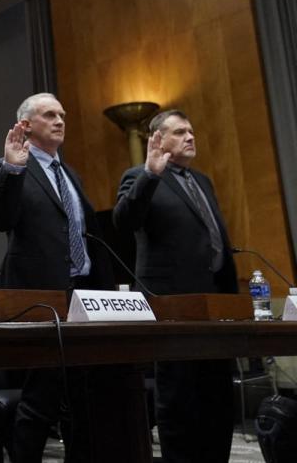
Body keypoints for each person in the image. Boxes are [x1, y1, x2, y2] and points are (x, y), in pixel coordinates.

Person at [0, 93, 113, 462]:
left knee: (82, 398)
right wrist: (12, 170)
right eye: (49, 115)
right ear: (25, 125)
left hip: (84, 297)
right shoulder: (9, 167)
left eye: (62, 114)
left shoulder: (68, 173)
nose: (60, 120)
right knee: (40, 397)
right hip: (41, 300)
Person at [113, 109, 236, 463]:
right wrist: (151, 173)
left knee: (217, 398)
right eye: (180, 132)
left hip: (214, 305)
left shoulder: (203, 180)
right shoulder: (139, 175)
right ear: (158, 139)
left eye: (191, 130)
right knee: (180, 399)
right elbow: (124, 221)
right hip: (172, 306)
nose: (190, 136)